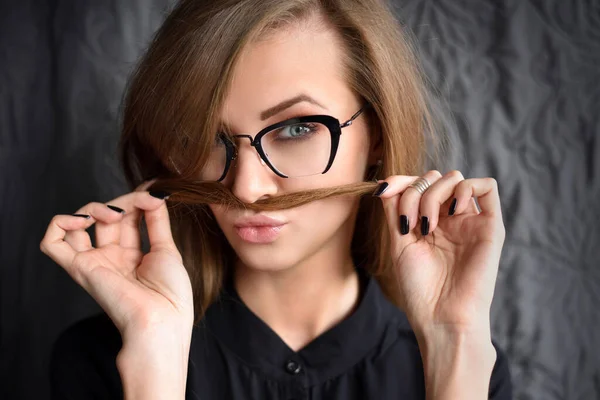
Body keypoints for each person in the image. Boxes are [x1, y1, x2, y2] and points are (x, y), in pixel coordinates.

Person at [40, 0, 513, 399]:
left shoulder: (465, 363)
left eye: (297, 128)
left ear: (377, 138)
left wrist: (454, 346)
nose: (246, 189)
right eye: (207, 136)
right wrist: (154, 370)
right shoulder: (104, 358)